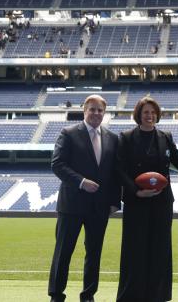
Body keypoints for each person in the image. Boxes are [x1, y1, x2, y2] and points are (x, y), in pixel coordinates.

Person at [48, 95, 121, 302]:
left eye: (100, 110)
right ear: (84, 110)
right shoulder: (69, 133)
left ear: (104, 113)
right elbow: (57, 164)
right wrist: (81, 182)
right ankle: (56, 295)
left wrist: (115, 201)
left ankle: (88, 295)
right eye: (92, 109)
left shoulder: (112, 138)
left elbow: (115, 172)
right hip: (71, 205)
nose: (96, 113)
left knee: (94, 253)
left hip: (100, 207)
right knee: (63, 252)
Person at [116, 96, 178, 302]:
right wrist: (136, 191)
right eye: (146, 112)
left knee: (160, 248)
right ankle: (131, 295)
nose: (150, 116)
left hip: (162, 201)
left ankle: (158, 295)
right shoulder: (126, 137)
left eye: (153, 112)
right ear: (139, 114)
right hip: (137, 200)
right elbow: (119, 170)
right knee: (134, 247)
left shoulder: (165, 136)